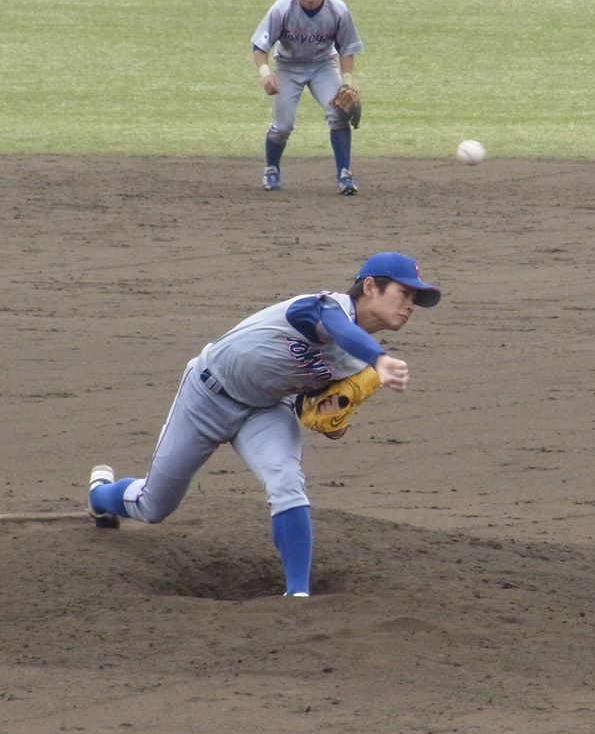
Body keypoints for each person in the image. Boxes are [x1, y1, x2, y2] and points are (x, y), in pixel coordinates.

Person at [86, 252, 441, 597]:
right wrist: (378, 358)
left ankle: (297, 593)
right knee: (154, 507)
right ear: (369, 287)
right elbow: (340, 331)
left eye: (415, 298)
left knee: (287, 482)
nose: (410, 305)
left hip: (264, 411)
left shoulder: (357, 364)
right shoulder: (323, 307)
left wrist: (333, 421)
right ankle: (100, 494)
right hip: (204, 397)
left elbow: (311, 403)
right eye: (403, 293)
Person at [252, 0, 364, 195]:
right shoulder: (282, 9)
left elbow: (347, 49)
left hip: (323, 66)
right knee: (283, 126)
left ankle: (344, 175)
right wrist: (266, 75)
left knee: (338, 113)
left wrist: (346, 81)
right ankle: (271, 169)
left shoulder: (338, 10)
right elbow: (260, 48)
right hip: (288, 67)